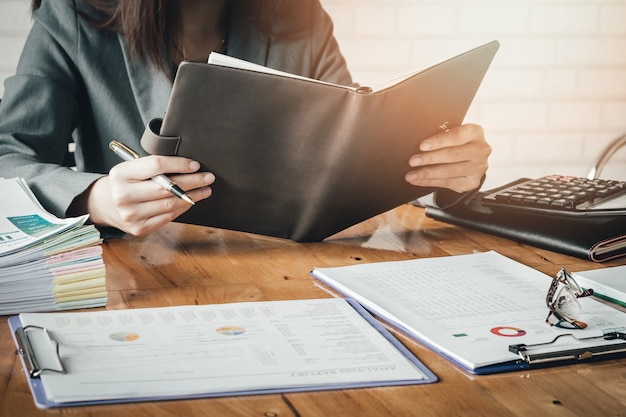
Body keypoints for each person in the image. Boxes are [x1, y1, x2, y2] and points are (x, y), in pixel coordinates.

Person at [0, 0, 491, 238]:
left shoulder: (300, 18)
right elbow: (8, 156)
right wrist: (97, 197)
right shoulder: (72, 17)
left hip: (284, 265)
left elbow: (350, 142)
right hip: (136, 272)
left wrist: (449, 175)